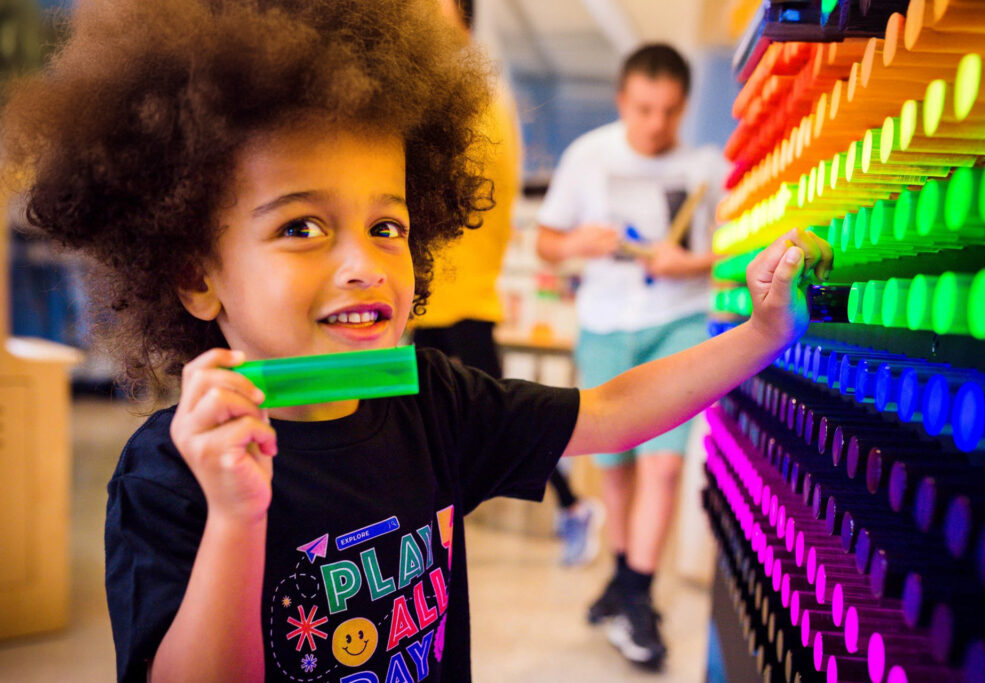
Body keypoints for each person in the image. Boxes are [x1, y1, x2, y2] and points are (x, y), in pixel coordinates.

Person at [0, 2, 831, 681]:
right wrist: (235, 516)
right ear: (195, 275)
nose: (364, 262)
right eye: (301, 225)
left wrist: (760, 334)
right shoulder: (168, 475)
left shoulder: (430, 398)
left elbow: (610, 411)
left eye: (387, 223)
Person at [535, 43, 730, 669]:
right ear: (624, 101)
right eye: (645, 109)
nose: (656, 124)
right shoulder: (587, 155)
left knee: (665, 468)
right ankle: (624, 581)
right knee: (613, 468)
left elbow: (735, 252)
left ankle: (637, 596)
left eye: (670, 111)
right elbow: (544, 244)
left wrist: (692, 262)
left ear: (684, 107)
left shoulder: (709, 165)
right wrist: (575, 243)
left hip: (677, 323)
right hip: (604, 328)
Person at [416, 0, 602, 567]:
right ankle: (435, 530)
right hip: (435, 293)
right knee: (440, 423)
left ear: (462, 19)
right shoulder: (454, 87)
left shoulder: (467, 91)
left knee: (495, 420)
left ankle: (573, 506)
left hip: (458, 288)